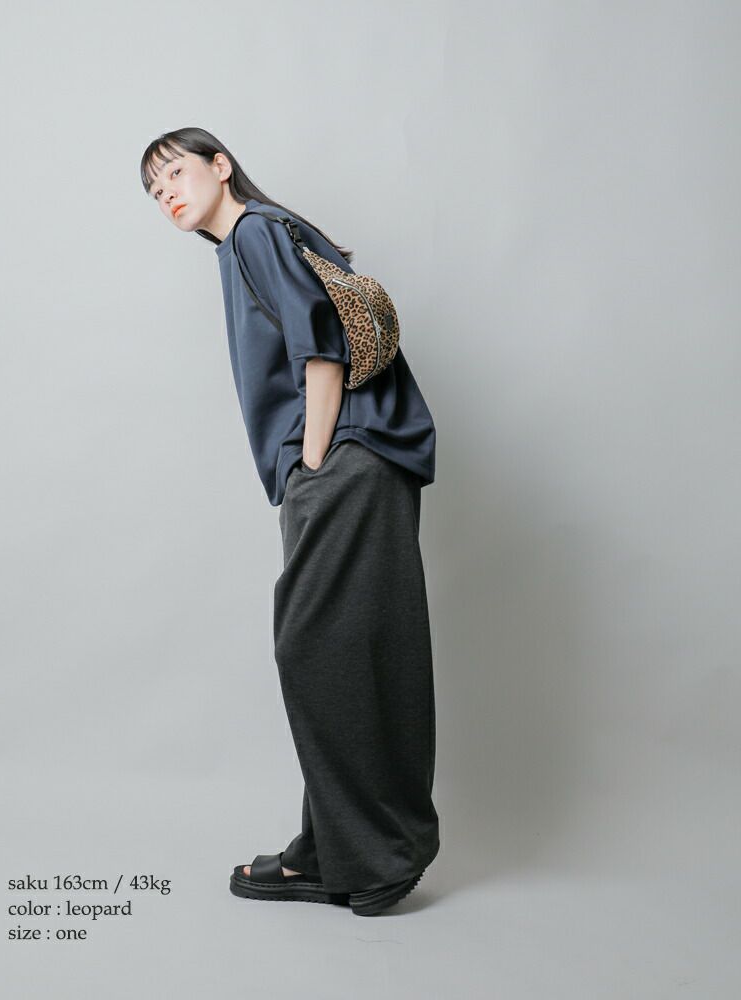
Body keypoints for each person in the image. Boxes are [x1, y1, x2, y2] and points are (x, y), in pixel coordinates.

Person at [140, 128, 440, 916]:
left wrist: (310, 461)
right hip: (365, 461)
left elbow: (322, 349)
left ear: (221, 166)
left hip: (343, 461)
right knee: (356, 650)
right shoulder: (251, 242)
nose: (166, 195)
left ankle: (375, 855)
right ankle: (337, 851)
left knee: (318, 647)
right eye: (154, 191)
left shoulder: (254, 232)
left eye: (175, 173)